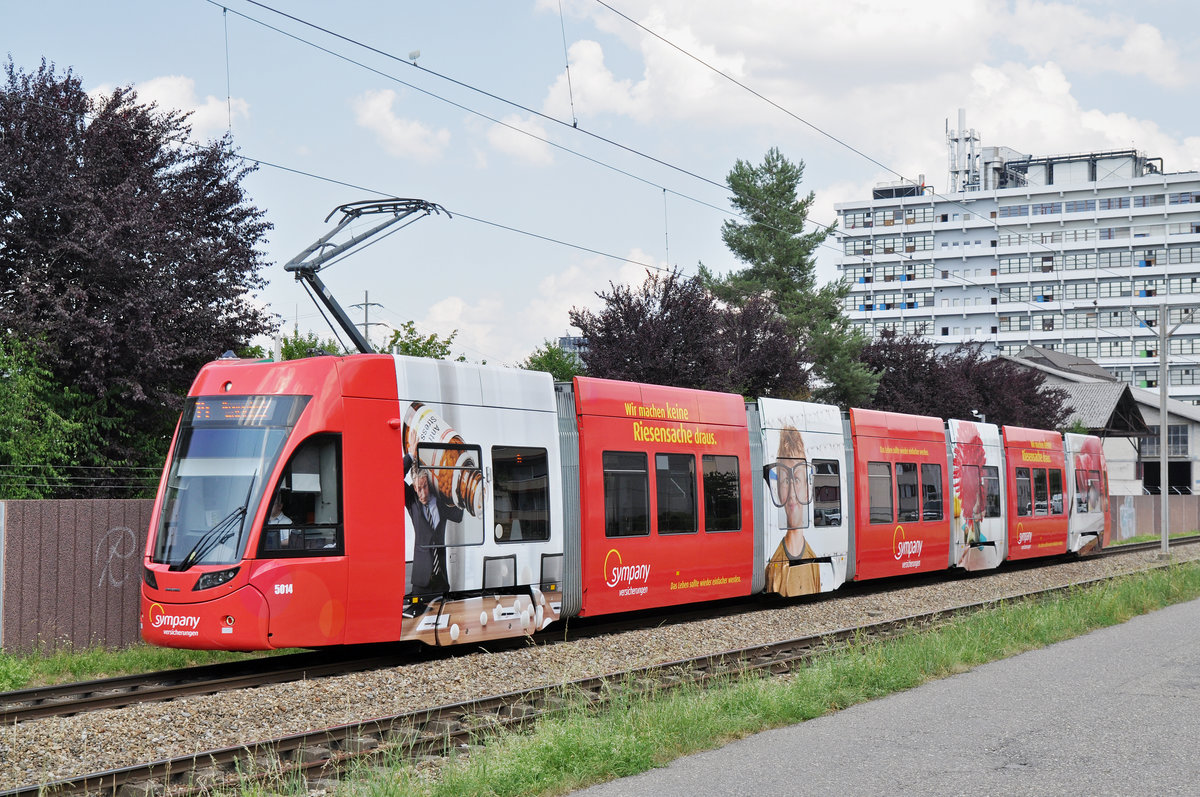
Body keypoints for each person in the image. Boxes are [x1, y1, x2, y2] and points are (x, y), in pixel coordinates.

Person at [403, 453, 463, 616]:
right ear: (414, 488)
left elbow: (458, 515)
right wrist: (409, 456)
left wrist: (456, 489)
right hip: (421, 580)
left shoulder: (441, 500)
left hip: (441, 580)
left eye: (424, 487)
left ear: (429, 482)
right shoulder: (412, 502)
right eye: (418, 488)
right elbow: (392, 479)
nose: (422, 493)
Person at [765, 426, 820, 596]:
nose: (792, 494)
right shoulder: (773, 567)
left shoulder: (815, 563)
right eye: (785, 481)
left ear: (806, 486)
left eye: (796, 479)